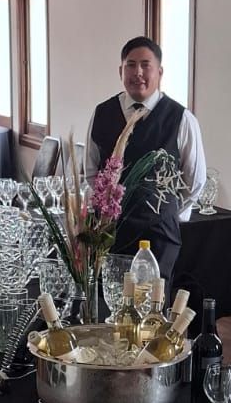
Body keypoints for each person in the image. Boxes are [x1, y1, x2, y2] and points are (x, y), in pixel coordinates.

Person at [85, 36, 206, 281]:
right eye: (131, 65)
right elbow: (90, 171)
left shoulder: (181, 119)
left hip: (159, 238)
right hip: (110, 234)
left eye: (145, 65)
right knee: (110, 304)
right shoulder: (103, 113)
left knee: (153, 311)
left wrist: (165, 212)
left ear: (159, 72)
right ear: (121, 70)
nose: (137, 72)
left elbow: (194, 182)